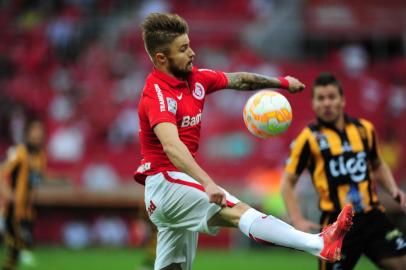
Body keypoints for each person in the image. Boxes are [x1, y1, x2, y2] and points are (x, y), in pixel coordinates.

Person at [134, 13, 354, 270]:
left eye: (189, 45)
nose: (192, 53)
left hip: (173, 190)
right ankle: (319, 243)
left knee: (174, 267)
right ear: (161, 58)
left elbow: (241, 79)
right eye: (183, 49)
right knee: (241, 212)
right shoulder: (157, 95)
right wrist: (207, 182)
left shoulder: (196, 79)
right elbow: (171, 146)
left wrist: (281, 83)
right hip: (168, 185)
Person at [281, 72, 406, 270]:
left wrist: (393, 189)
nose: (327, 103)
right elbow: (287, 182)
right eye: (321, 98)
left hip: (372, 216)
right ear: (313, 104)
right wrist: (297, 219)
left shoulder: (364, 130)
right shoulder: (308, 138)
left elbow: (377, 164)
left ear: (342, 100)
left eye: (332, 97)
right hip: (336, 226)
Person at [0, 120, 46, 270]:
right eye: (35, 130)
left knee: (23, 246)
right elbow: (1, 171)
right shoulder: (19, 151)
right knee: (15, 248)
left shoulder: (40, 155)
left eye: (40, 131)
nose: (38, 134)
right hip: (12, 208)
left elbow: (36, 181)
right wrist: (8, 193)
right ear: (27, 132)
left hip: (27, 210)